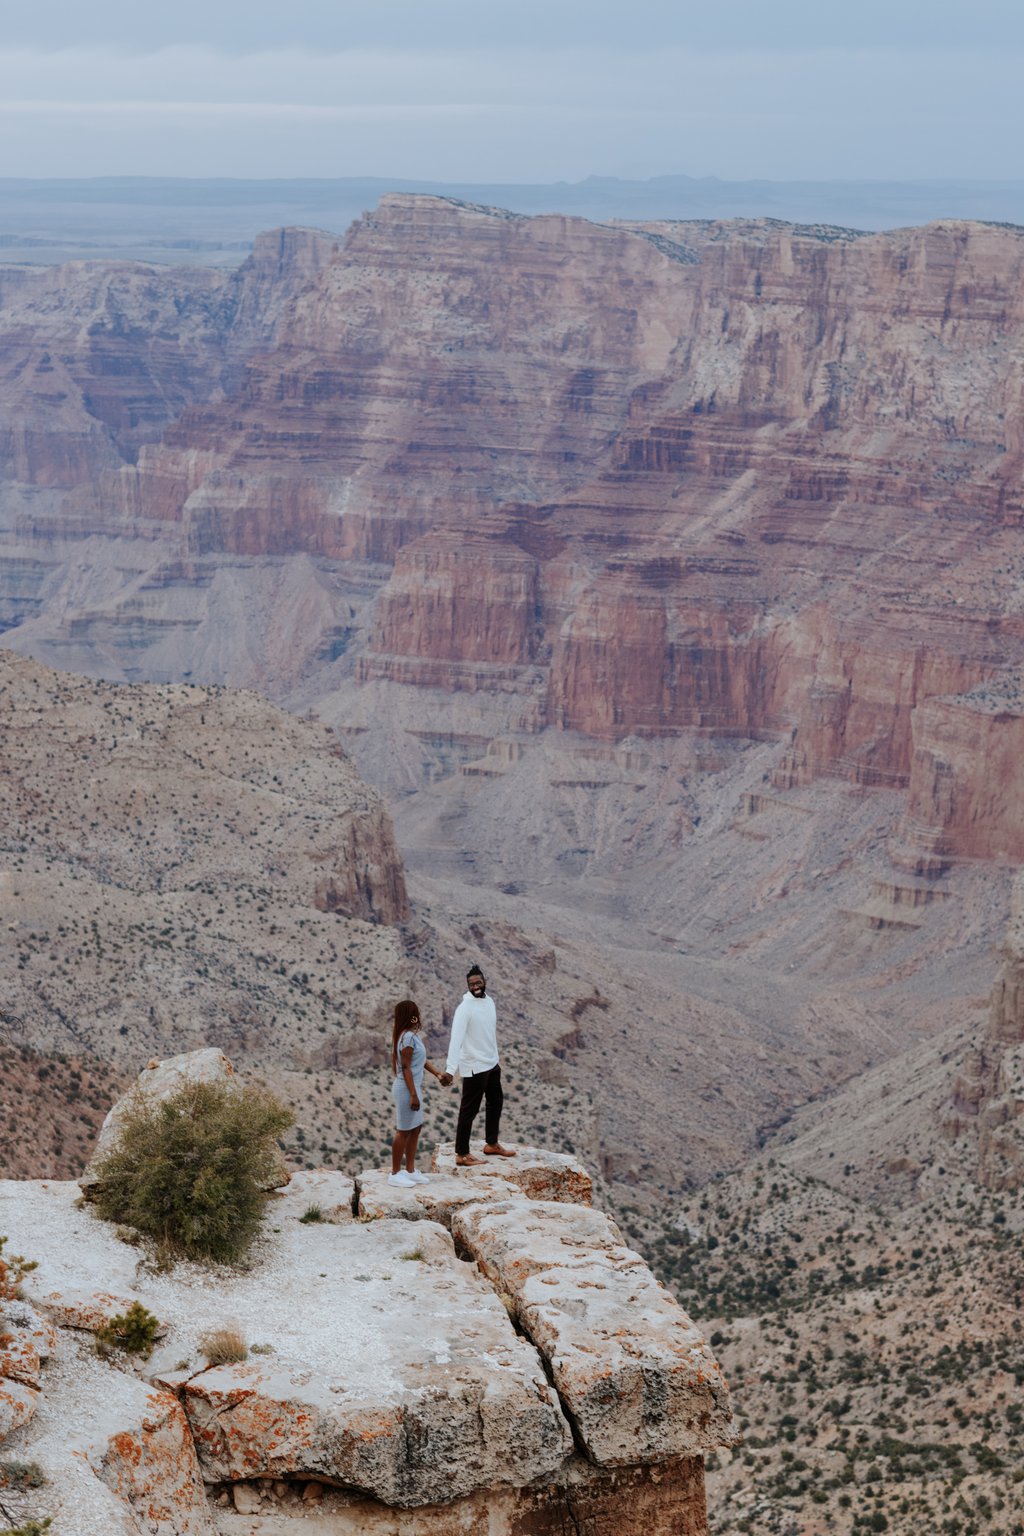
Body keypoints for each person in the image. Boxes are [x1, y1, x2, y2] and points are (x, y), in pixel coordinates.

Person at [445, 964, 516, 1167]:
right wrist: (451, 1070)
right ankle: (461, 1153)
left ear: (485, 982)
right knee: (469, 1110)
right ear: (467, 986)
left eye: (478, 982)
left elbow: (489, 1032)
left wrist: (496, 1057)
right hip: (474, 1066)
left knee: (496, 1102)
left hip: (491, 1063)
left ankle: (491, 1144)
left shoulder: (490, 1002)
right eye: (471, 984)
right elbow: (455, 1040)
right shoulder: (464, 1009)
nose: (475, 986)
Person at [389, 999, 451, 1188]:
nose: (418, 1017)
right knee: (403, 1130)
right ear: (411, 1016)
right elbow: (406, 1067)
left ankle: (409, 1170)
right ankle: (395, 1173)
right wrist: (413, 1095)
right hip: (407, 1089)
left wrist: (438, 1073)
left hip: (413, 1087)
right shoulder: (406, 1037)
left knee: (415, 1129)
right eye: (415, 1013)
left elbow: (421, 1061)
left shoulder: (410, 1037)